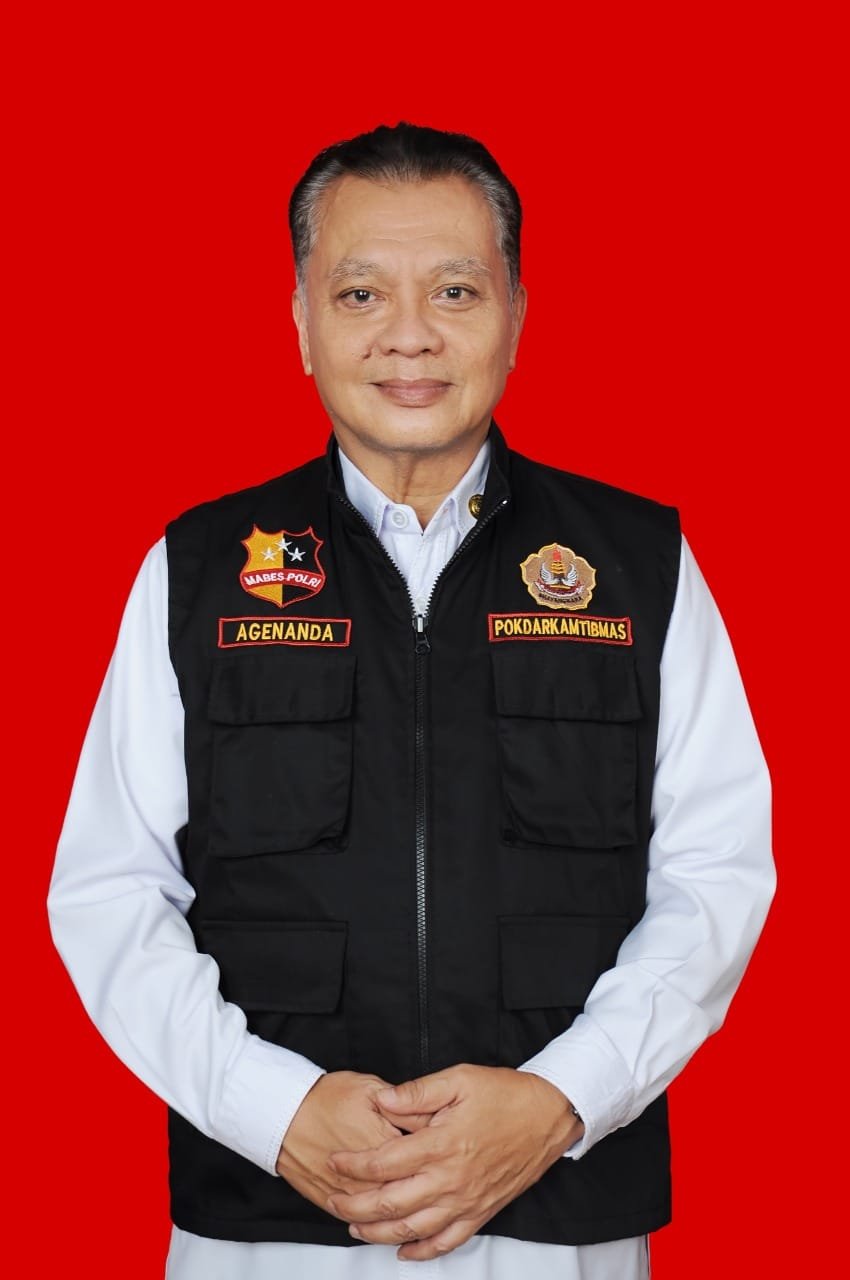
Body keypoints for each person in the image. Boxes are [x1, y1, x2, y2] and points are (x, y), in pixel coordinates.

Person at [48, 122, 775, 1279]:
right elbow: (107, 887)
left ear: (516, 314)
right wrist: (272, 1108)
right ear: (300, 321)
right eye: (359, 293)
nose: (409, 334)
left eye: (454, 289)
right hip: (267, 1223)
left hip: (557, 1216)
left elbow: (716, 875)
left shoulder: (635, 565)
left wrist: (559, 1099)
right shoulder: (200, 569)